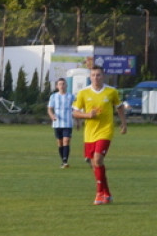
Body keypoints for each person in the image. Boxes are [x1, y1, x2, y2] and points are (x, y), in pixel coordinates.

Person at [72, 65, 127, 205]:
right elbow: (75, 112)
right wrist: (87, 115)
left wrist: (124, 123)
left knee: (97, 159)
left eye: (98, 75)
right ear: (90, 77)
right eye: (93, 75)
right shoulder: (83, 93)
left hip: (105, 130)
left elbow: (119, 107)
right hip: (90, 133)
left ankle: (98, 194)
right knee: (95, 165)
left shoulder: (111, 92)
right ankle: (107, 193)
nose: (96, 78)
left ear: (103, 76)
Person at [47, 77, 75, 167]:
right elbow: (50, 109)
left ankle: (65, 161)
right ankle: (63, 160)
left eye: (63, 84)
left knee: (66, 140)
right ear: (57, 86)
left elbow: (75, 109)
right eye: (60, 84)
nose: (62, 86)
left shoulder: (71, 96)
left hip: (68, 123)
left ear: (66, 85)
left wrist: (78, 121)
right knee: (60, 142)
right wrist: (52, 116)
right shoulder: (53, 96)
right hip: (57, 123)